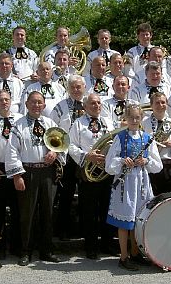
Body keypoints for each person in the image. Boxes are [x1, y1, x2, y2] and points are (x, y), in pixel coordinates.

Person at [5, 91, 66, 266]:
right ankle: (25, 252)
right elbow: (12, 151)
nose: (36, 105)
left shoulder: (50, 124)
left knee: (48, 212)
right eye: (33, 102)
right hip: (28, 172)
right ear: (26, 104)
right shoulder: (18, 126)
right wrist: (17, 175)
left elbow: (63, 144)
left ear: (44, 105)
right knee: (27, 214)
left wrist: (55, 153)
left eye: (40, 102)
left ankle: (47, 250)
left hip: (47, 173)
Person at [105, 104, 163, 271]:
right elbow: (109, 164)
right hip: (125, 183)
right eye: (131, 117)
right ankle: (123, 257)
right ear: (126, 118)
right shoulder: (120, 137)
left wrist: (146, 161)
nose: (134, 120)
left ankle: (136, 253)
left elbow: (157, 165)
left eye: (137, 117)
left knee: (138, 220)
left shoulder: (147, 138)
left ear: (141, 118)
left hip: (142, 182)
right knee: (125, 221)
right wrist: (123, 161)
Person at [68, 93, 117, 260]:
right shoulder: (78, 123)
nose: (96, 106)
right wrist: (87, 156)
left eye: (98, 103)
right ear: (85, 106)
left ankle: (107, 244)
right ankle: (91, 247)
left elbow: (115, 143)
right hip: (88, 172)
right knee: (89, 211)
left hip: (106, 172)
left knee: (107, 209)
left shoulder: (108, 121)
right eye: (92, 103)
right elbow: (71, 146)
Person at [0, 89, 23, 259]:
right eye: (0, 100)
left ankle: (17, 246)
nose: (4, 102)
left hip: (17, 168)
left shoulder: (20, 119)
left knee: (17, 210)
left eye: (7, 99)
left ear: (11, 101)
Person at [50, 75, 86, 240]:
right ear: (68, 89)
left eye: (79, 87)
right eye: (73, 87)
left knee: (87, 195)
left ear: (84, 88)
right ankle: (62, 230)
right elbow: (51, 128)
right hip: (66, 156)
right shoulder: (60, 107)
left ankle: (84, 231)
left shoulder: (91, 104)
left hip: (85, 154)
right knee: (66, 194)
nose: (76, 90)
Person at [142, 92, 171, 195]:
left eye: (163, 102)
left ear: (167, 104)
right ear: (151, 105)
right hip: (152, 166)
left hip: (170, 166)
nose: (160, 105)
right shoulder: (144, 124)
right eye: (157, 103)